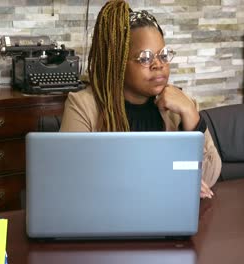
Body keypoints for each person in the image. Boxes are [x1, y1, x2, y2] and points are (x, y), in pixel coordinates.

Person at [60, 0, 221, 199]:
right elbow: (72, 180)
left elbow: (208, 176)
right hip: (109, 221)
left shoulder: (178, 106)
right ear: (119, 63)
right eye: (145, 58)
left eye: (163, 55)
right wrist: (169, 180)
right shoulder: (84, 106)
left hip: (168, 216)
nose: (158, 65)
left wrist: (191, 115)